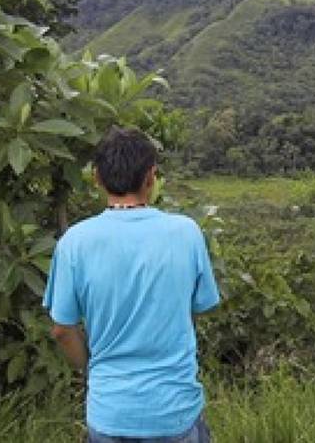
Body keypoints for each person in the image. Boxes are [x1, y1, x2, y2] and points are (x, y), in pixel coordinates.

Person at [43, 126, 220, 443]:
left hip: (110, 410)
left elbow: (62, 329)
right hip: (175, 409)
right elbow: (194, 309)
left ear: (96, 177)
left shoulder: (75, 242)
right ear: (151, 176)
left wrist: (92, 370)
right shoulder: (186, 233)